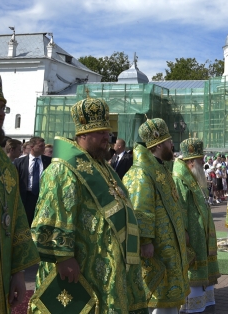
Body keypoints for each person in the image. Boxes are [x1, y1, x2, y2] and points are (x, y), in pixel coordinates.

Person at [29, 96, 147, 313]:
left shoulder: (103, 166)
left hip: (109, 264)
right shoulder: (63, 169)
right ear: (82, 134)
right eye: (101, 132)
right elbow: (55, 214)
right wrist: (63, 257)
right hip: (81, 265)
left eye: (107, 131)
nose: (107, 137)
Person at [0, 65, 39, 312]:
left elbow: (16, 220)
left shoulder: (4, 165)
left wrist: (18, 272)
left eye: (1, 108)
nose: (0, 114)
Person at [122, 118, 191, 312]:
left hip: (168, 245)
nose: (172, 145)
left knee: (169, 297)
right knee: (157, 297)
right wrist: (145, 241)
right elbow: (139, 209)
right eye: (169, 141)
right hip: (156, 247)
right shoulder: (141, 172)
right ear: (159, 143)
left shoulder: (160, 168)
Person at [173, 138, 221, 313]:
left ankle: (204, 304)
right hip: (191, 236)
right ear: (191, 161)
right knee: (192, 272)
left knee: (203, 271)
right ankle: (192, 307)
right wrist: (184, 231)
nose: (203, 161)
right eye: (200, 158)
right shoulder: (179, 178)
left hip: (201, 234)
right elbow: (180, 208)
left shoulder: (192, 175)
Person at [13, 136, 51, 226]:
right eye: (41, 146)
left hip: (43, 196)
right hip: (27, 197)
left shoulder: (49, 161)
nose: (43, 148)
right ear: (32, 147)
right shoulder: (19, 162)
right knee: (26, 223)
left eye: (44, 145)